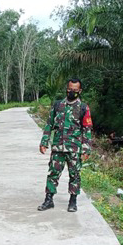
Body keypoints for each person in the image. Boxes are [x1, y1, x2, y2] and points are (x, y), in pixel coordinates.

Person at [38, 78, 93, 212]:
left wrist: (86, 149)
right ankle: (48, 200)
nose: (71, 92)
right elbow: (49, 124)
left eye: (75, 90)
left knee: (75, 174)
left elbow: (87, 129)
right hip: (58, 146)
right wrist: (44, 142)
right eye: (69, 89)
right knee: (53, 173)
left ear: (79, 91)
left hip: (74, 148)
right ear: (66, 88)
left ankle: (73, 201)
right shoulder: (58, 105)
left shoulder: (83, 108)